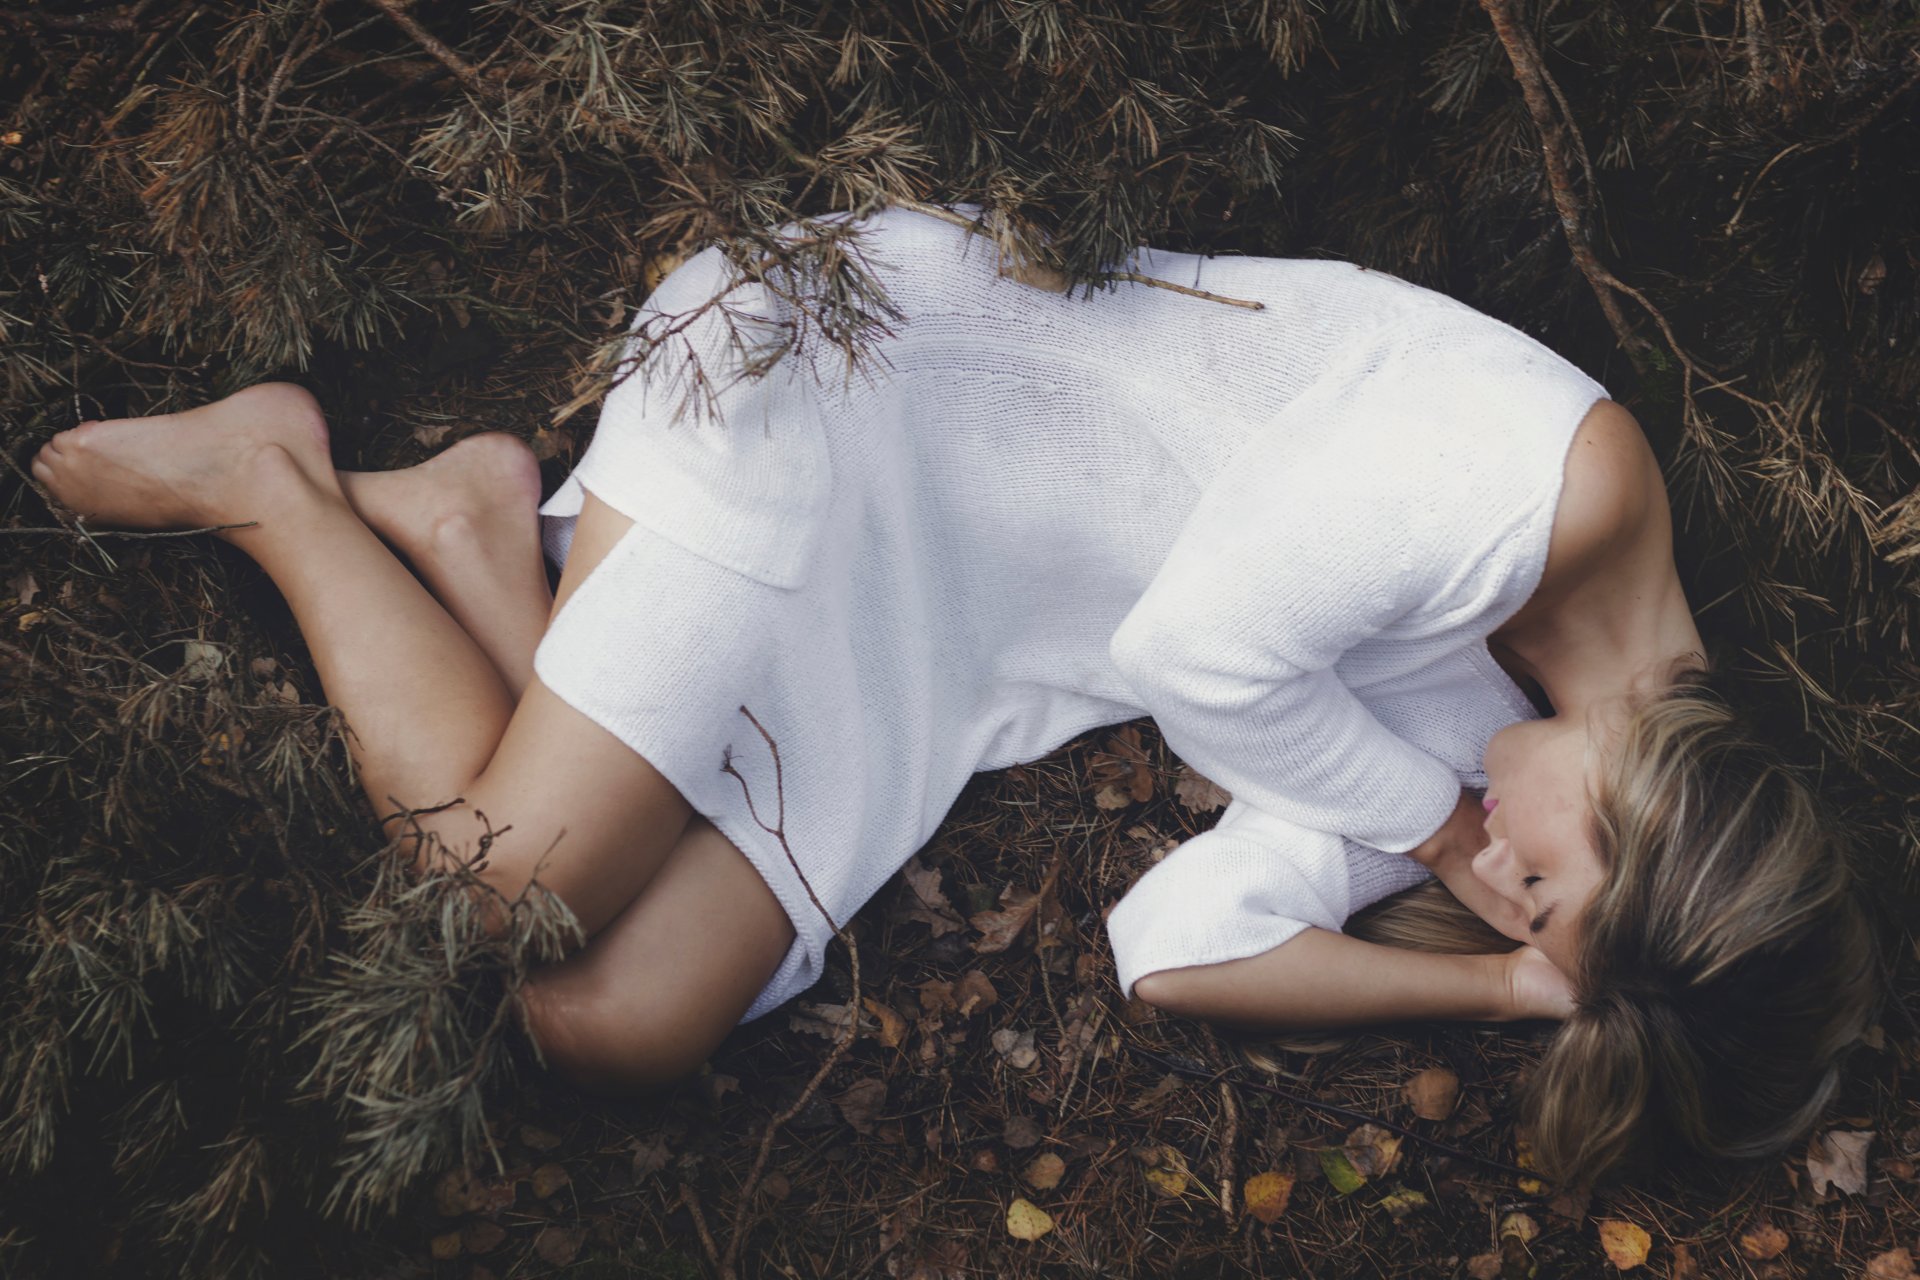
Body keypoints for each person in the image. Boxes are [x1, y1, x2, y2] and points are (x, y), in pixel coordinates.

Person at [28, 202, 1876, 1187]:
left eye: (1528, 904)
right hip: (854, 394)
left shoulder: (1520, 765)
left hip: (934, 632)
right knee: (511, 890)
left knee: (612, 1017)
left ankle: (475, 534)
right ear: (1649, 803)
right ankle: (278, 483)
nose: (1500, 867)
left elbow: (1173, 944)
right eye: (1553, 883)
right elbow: (1205, 659)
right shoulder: (1539, 493)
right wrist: (1439, 836)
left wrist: (1514, 989)